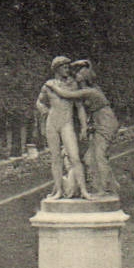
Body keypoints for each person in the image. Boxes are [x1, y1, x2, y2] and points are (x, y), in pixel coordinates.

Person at [44, 60, 120, 197]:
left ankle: (104, 189)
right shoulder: (86, 89)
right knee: (91, 157)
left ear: (85, 76)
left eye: (78, 73)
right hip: (98, 121)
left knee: (99, 155)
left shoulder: (90, 91)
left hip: (105, 120)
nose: (74, 75)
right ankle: (110, 184)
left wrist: (52, 86)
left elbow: (66, 95)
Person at [35, 56, 88, 199]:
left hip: (66, 123)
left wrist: (84, 126)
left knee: (74, 157)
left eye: (68, 67)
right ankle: (58, 190)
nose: (67, 69)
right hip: (52, 123)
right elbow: (39, 102)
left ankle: (83, 190)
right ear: (57, 69)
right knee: (55, 158)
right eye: (64, 67)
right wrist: (43, 109)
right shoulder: (48, 85)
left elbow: (80, 107)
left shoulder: (72, 85)